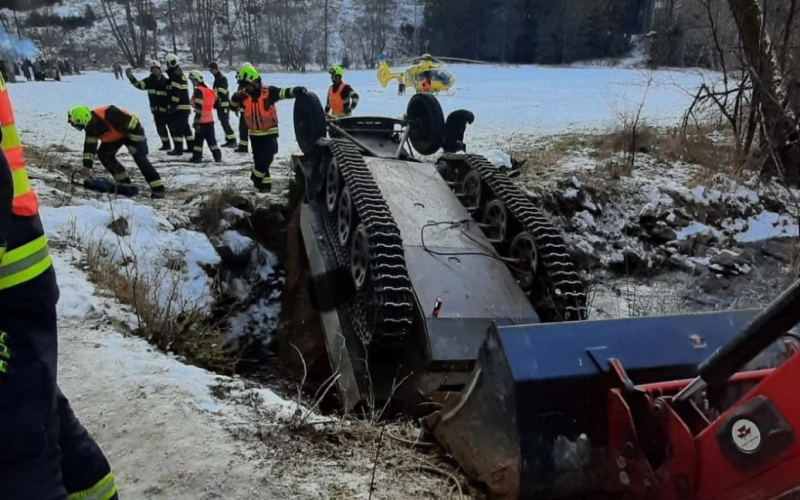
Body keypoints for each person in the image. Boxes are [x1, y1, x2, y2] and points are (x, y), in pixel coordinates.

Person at [0, 72, 119, 500]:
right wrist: (88, 168)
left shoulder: (112, 116)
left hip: (10, 275)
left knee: (16, 452)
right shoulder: (92, 124)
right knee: (34, 410)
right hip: (17, 268)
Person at [230, 64, 305, 192]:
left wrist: (295, 91)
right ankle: (265, 186)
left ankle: (255, 177)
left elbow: (283, 92)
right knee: (260, 160)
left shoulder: (268, 92)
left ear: (254, 81)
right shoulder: (244, 96)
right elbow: (232, 107)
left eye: (245, 85)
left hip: (270, 132)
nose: (244, 88)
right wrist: (235, 98)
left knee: (269, 154)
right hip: (254, 135)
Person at [68, 105, 166, 199]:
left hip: (133, 133)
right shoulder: (89, 126)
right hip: (116, 137)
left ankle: (158, 188)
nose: (79, 129)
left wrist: (134, 144)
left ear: (84, 119)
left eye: (78, 126)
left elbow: (135, 126)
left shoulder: (110, 114)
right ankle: (124, 183)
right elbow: (90, 147)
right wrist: (87, 166)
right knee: (104, 155)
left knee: (140, 157)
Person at [126, 60, 173, 151]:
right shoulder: (149, 81)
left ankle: (177, 146)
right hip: (156, 110)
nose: (155, 71)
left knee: (172, 128)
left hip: (167, 110)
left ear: (160, 69)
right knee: (160, 129)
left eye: (156, 69)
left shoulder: (166, 81)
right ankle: (166, 145)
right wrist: (130, 77)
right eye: (153, 69)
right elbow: (138, 85)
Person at [188, 70, 222, 163]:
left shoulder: (199, 91)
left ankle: (196, 158)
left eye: (193, 80)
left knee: (198, 141)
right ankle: (217, 157)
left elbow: (199, 106)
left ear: (197, 80)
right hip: (210, 120)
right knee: (212, 141)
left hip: (202, 120)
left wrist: (197, 121)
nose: (192, 82)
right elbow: (216, 103)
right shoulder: (209, 90)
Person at [164, 54, 194, 156]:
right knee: (185, 128)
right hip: (185, 106)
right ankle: (191, 146)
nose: (167, 65)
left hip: (179, 107)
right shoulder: (180, 73)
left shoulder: (175, 75)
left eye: (167, 63)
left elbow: (175, 92)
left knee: (177, 128)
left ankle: (178, 149)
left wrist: (172, 105)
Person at [208, 62, 237, 148]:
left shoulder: (222, 79)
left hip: (223, 105)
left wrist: (216, 97)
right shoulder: (217, 79)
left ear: (215, 69)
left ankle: (233, 140)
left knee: (225, 123)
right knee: (223, 122)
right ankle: (229, 140)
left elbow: (222, 92)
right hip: (219, 105)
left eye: (211, 70)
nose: (210, 72)